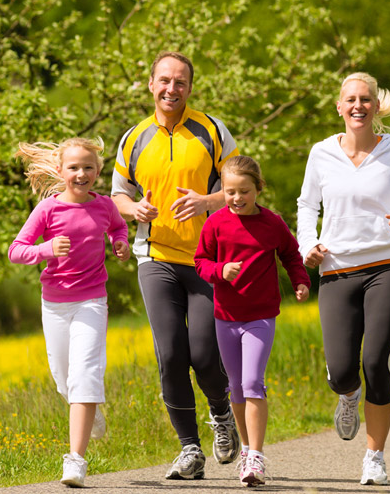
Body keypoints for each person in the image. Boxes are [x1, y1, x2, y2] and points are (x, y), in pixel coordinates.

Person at [297, 72, 390, 486]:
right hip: (336, 269)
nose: (358, 105)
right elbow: (307, 205)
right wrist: (309, 244)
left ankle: (374, 456)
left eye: (366, 99)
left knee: (375, 361)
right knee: (343, 370)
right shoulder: (321, 154)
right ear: (339, 107)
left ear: (377, 107)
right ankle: (347, 394)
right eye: (350, 99)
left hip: (387, 267)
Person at [111, 51, 241, 480]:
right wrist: (134, 211)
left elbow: (244, 188)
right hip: (156, 258)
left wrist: (207, 201)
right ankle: (189, 449)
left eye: (180, 82)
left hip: (208, 259)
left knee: (204, 353)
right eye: (164, 80)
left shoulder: (212, 130)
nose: (171, 89)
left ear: (190, 87)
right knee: (170, 353)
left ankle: (222, 413)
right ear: (150, 84)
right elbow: (117, 194)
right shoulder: (133, 137)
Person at [8, 137, 130, 488]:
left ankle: (75, 460)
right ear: (60, 172)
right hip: (55, 304)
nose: (81, 174)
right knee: (62, 376)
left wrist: (119, 243)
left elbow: (117, 227)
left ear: (98, 170)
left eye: (88, 167)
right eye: (74, 168)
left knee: (86, 372)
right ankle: (89, 414)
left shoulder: (105, 205)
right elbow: (16, 250)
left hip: (92, 299)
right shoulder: (47, 210)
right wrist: (45, 249)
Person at [194, 155, 310, 487]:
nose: (237, 198)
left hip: (260, 316)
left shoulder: (272, 223)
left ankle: (256, 456)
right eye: (230, 192)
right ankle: (246, 450)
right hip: (226, 317)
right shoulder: (215, 223)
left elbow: (290, 253)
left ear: (258, 188)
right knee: (236, 387)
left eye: (244, 191)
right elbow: (200, 261)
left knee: (253, 383)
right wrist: (220, 271)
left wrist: (300, 280)